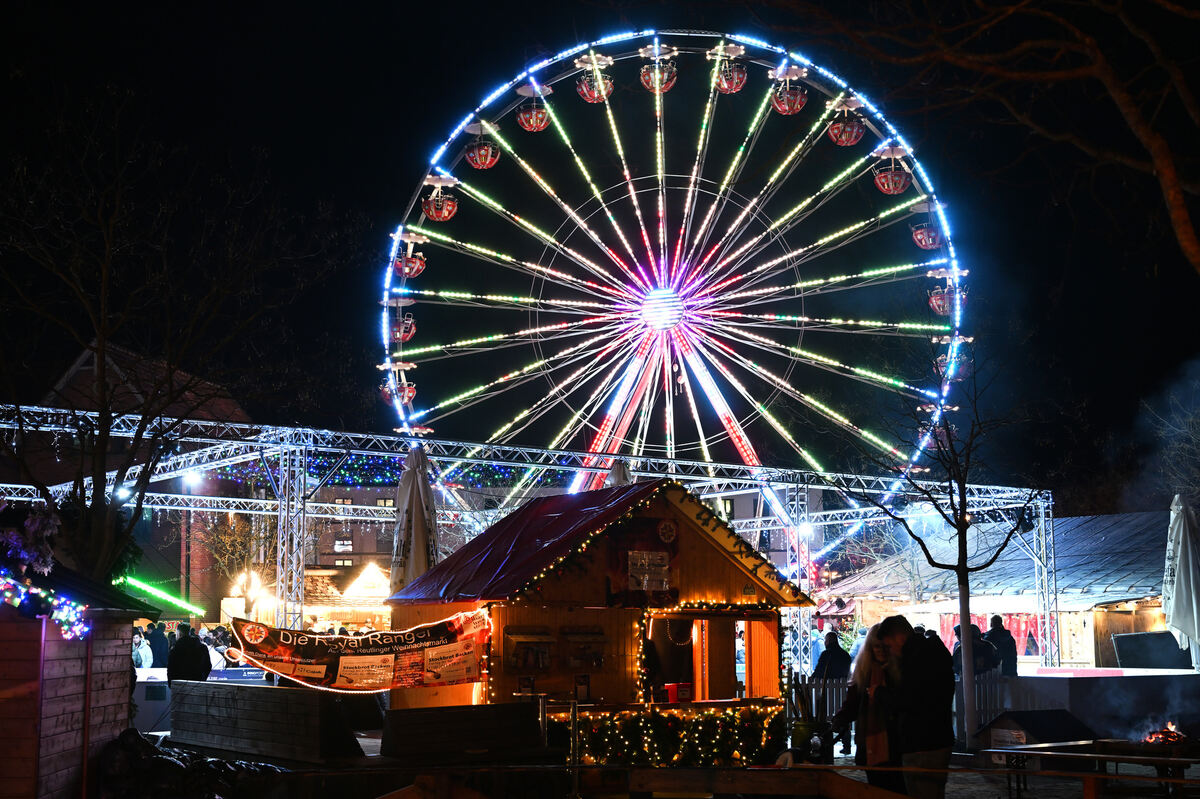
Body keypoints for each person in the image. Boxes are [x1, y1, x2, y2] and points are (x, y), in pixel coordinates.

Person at [879, 614, 955, 799]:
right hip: (937, 738)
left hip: (921, 741)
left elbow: (909, 699)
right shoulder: (933, 653)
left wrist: (880, 694)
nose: (890, 651)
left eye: (889, 646)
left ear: (900, 637)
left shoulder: (917, 659)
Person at [831, 625, 905, 794]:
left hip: (894, 740)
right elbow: (853, 703)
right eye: (876, 646)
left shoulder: (898, 672)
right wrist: (840, 719)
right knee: (875, 788)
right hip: (870, 740)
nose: (880, 651)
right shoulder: (864, 672)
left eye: (884, 646)